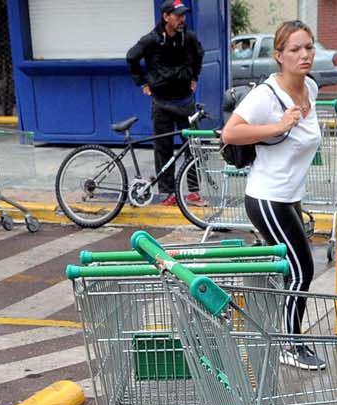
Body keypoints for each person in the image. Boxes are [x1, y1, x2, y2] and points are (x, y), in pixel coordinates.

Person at [220, 20, 324, 370]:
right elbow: (231, 133)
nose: (304, 54)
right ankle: (290, 345)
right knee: (302, 269)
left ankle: (270, 330)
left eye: (308, 47)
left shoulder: (311, 88)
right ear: (279, 56)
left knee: (286, 270)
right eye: (294, 49)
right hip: (266, 198)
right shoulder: (267, 94)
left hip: (288, 197)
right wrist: (278, 126)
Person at [127, 1, 204, 205]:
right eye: (178, 16)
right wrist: (142, 82)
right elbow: (131, 57)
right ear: (166, 17)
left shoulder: (189, 37)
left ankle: (194, 192)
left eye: (183, 16)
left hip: (185, 101)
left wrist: (194, 77)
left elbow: (199, 54)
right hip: (161, 102)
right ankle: (168, 192)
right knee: (163, 148)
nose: (182, 19)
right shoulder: (151, 40)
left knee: (193, 146)